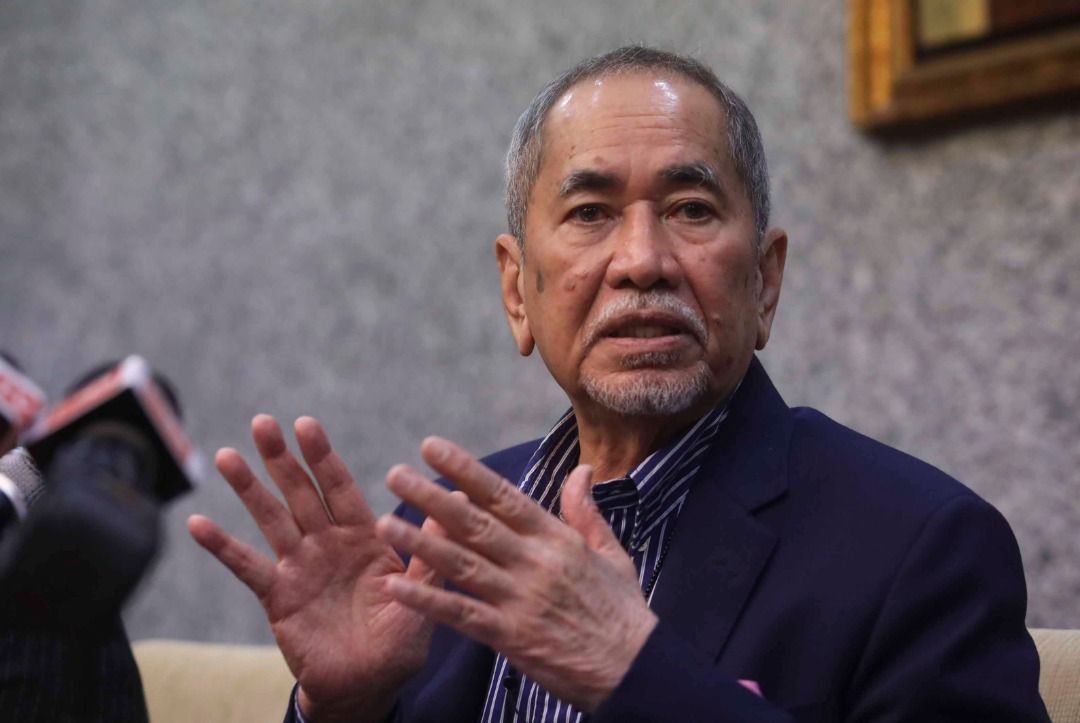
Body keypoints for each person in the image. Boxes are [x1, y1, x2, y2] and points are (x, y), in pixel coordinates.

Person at [188, 46, 1050, 722]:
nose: (642, 261)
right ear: (517, 291)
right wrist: (345, 712)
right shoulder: (436, 541)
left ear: (765, 281)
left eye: (691, 209)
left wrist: (639, 673)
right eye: (591, 213)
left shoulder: (921, 547)